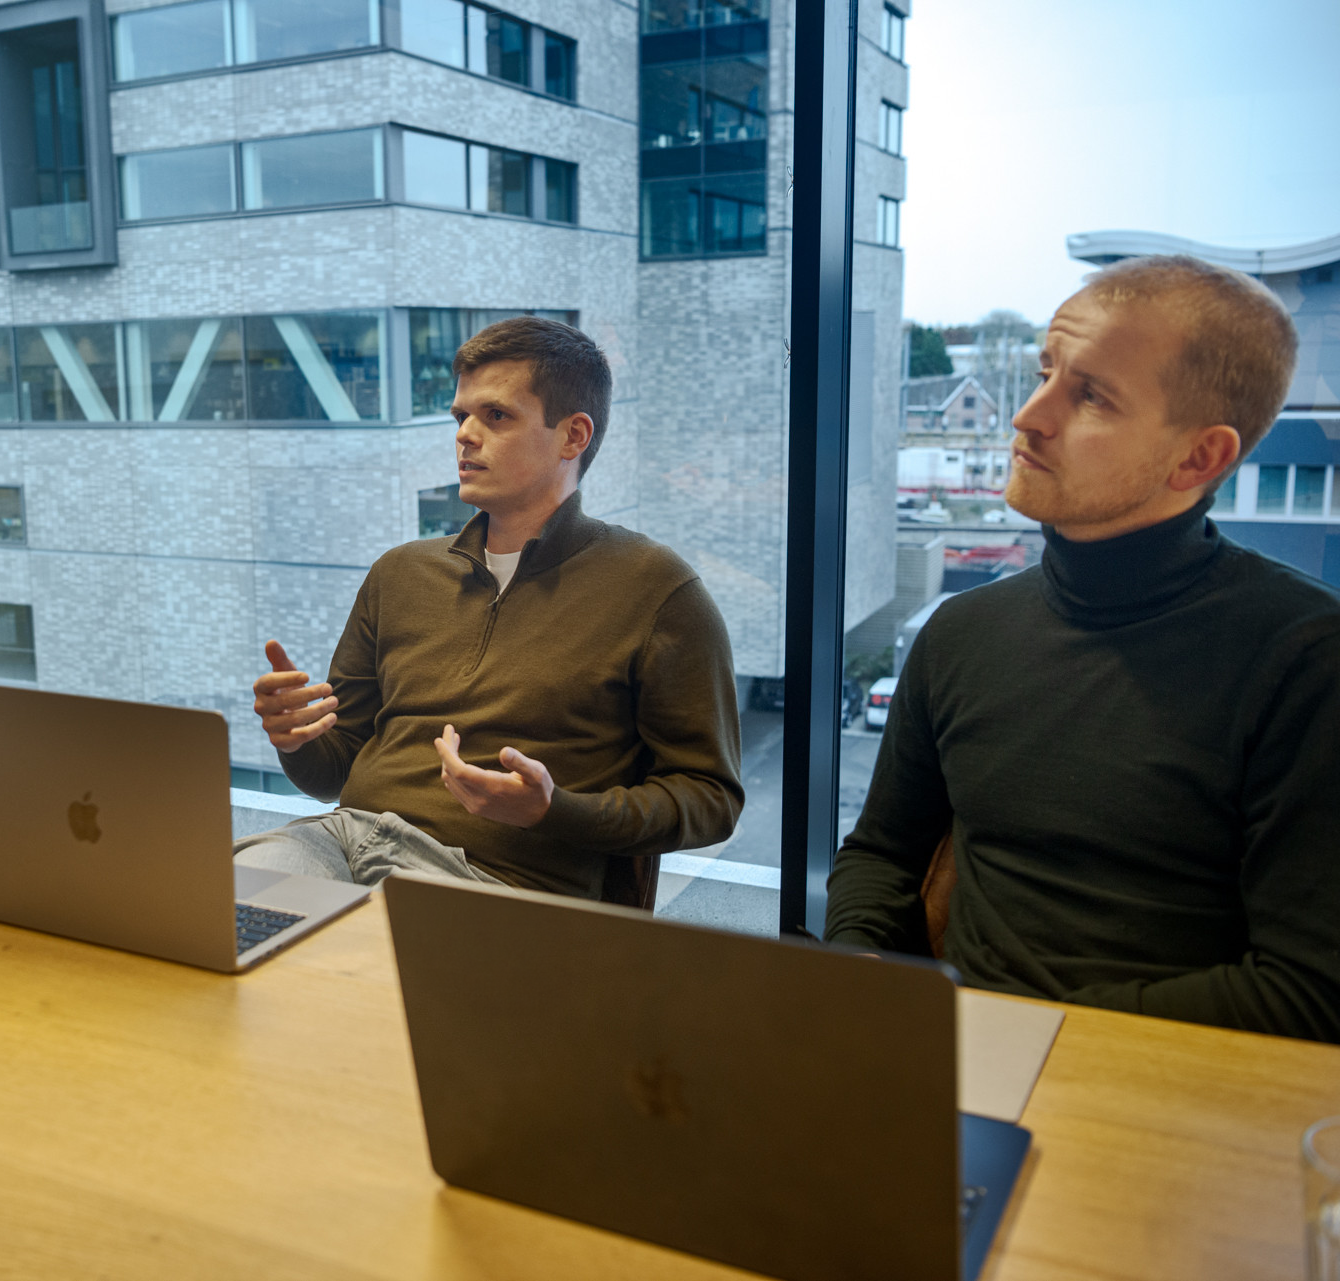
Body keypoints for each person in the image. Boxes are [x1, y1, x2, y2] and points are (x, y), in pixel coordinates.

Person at [826, 256, 1340, 1042]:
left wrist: (1018, 1032)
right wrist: (863, 973)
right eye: (1045, 371)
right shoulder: (964, 631)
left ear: (1200, 457)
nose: (1028, 415)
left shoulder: (1306, 660)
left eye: (1091, 394)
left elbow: (1309, 992)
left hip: (1171, 1092)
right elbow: (882, 855)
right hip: (950, 1059)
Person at [234, 317, 744, 899]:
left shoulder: (657, 591)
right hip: (342, 840)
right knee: (211, 911)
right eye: (460, 417)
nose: (465, 435)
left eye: (495, 416)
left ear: (573, 436)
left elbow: (710, 799)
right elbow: (334, 771)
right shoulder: (399, 574)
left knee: (343, 969)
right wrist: (295, 738)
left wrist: (554, 809)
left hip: (494, 880)